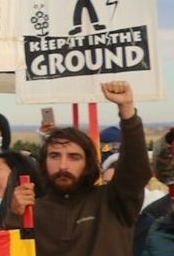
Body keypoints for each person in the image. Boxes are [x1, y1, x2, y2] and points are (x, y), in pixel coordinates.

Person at [11, 81, 149, 256]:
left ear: (89, 164)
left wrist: (127, 112)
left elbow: (135, 169)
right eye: (54, 156)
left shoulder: (113, 202)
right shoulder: (32, 210)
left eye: (74, 157)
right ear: (43, 162)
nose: (63, 166)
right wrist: (15, 215)